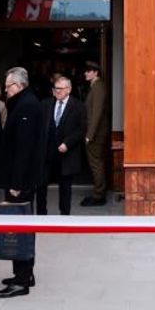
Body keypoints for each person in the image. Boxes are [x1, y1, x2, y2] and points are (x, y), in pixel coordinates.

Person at [0, 66, 47, 297]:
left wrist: (16, 183)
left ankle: (21, 280)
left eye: (8, 86)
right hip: (21, 178)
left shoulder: (26, 106)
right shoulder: (23, 103)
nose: (5, 90)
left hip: (21, 181)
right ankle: (26, 274)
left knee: (18, 228)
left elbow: (24, 149)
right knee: (20, 225)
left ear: (18, 86)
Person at [39, 74, 86, 216]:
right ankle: (41, 215)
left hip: (66, 154)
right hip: (47, 153)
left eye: (60, 88)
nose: (57, 91)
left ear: (69, 89)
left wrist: (68, 143)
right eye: (55, 88)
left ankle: (64, 216)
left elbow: (81, 129)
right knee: (41, 185)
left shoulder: (78, 106)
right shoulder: (46, 104)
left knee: (65, 187)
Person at [81, 61, 111, 206]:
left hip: (96, 134)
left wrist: (90, 135)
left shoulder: (98, 87)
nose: (85, 73)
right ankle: (99, 193)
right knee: (96, 163)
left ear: (95, 72)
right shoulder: (96, 86)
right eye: (86, 71)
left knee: (96, 164)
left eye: (88, 71)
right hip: (96, 133)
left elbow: (96, 113)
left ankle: (99, 195)